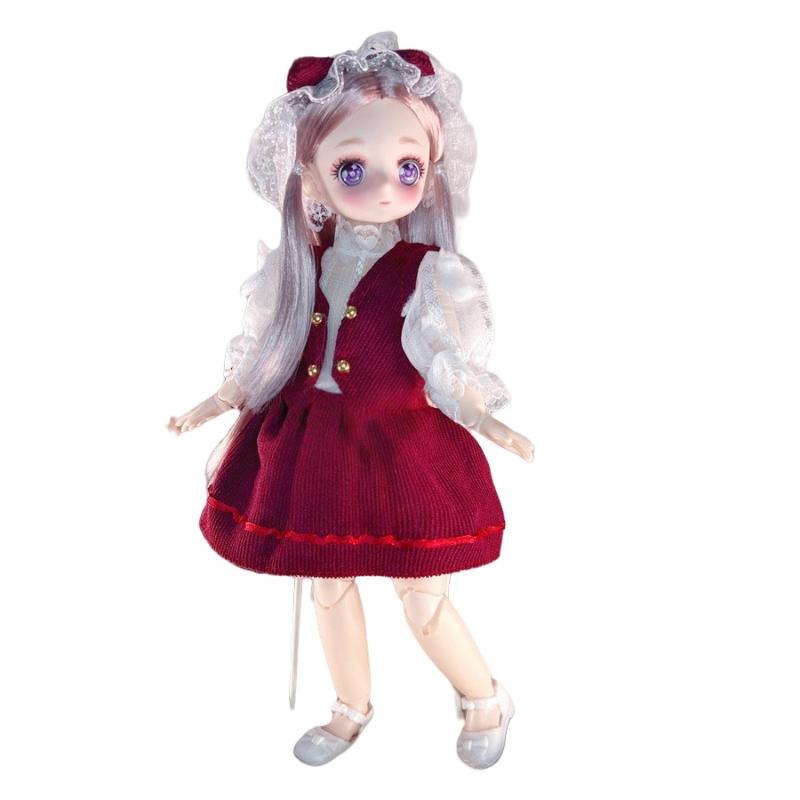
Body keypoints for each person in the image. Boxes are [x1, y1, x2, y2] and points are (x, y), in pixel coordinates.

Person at [168, 31, 534, 769]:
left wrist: (485, 416)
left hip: (402, 447)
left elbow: (442, 360)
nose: (385, 188)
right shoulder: (298, 266)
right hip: (315, 446)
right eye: (353, 169)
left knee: (421, 593)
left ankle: (485, 696)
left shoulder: (428, 271)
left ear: (431, 173)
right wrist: (214, 402)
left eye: (408, 167)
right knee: (327, 584)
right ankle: (350, 705)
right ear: (309, 171)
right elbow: (268, 349)